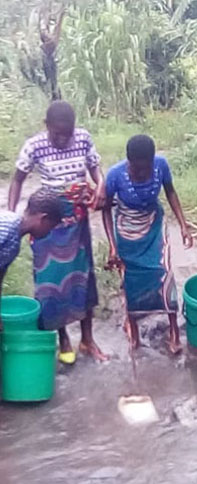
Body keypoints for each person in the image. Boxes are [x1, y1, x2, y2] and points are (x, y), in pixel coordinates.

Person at [8, 100, 107, 364]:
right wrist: (12, 215)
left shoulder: (83, 138)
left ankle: (87, 339)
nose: (63, 139)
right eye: (57, 133)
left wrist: (100, 184)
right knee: (53, 284)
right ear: (47, 126)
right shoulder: (34, 145)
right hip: (47, 224)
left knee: (82, 279)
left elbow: (95, 167)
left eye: (68, 133)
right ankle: (63, 338)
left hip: (77, 222)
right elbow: (17, 180)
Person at [103, 134, 193, 354]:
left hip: (154, 225)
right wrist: (113, 245)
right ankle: (133, 329)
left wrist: (183, 225)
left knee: (164, 272)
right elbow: (105, 209)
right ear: (129, 162)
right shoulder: (115, 175)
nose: (142, 173)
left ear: (153, 161)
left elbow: (170, 191)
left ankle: (173, 330)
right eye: (137, 170)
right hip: (126, 231)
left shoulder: (160, 165)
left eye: (146, 168)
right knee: (131, 279)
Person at [0, 188, 63, 325]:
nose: (49, 233)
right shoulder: (6, 228)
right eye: (50, 227)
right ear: (43, 219)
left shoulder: (14, 243)